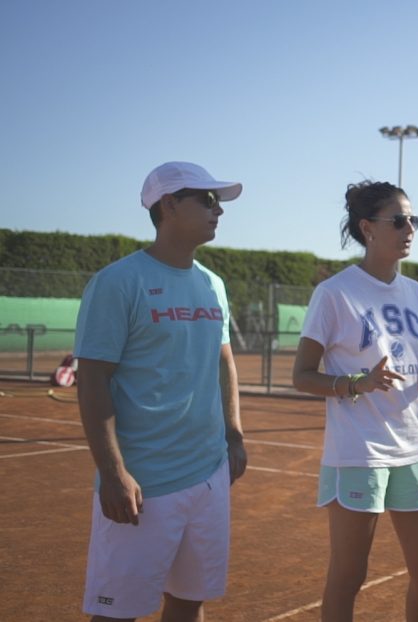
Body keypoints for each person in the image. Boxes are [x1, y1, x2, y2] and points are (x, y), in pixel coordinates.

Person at [292, 180, 418, 622]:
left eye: (413, 219)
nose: (409, 228)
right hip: (359, 451)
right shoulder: (334, 294)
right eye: (398, 220)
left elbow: (407, 375)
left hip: (412, 448)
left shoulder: (414, 293)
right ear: (367, 228)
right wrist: (356, 384)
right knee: (349, 575)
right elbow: (301, 376)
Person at [75, 161, 248, 621]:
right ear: (168, 204)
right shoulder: (117, 281)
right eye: (207, 200)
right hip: (142, 481)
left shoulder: (214, 284)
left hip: (209, 476)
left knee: (190, 601)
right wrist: (112, 473)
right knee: (117, 613)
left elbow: (223, 361)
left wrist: (234, 433)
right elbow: (92, 379)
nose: (218, 211)